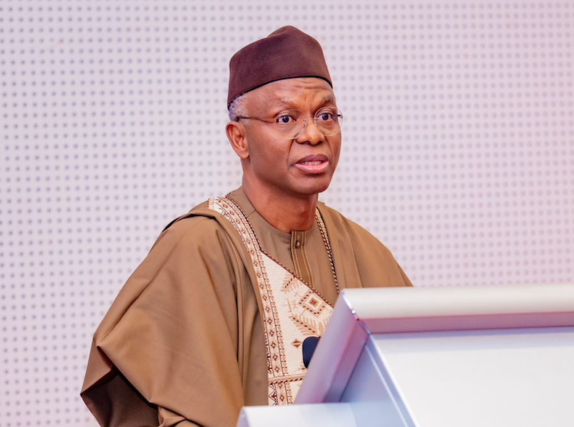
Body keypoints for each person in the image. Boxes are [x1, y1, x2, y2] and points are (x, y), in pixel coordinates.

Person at [80, 26, 413, 427]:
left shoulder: (364, 250)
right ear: (239, 138)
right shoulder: (200, 247)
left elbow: (415, 386)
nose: (313, 134)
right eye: (286, 118)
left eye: (326, 115)